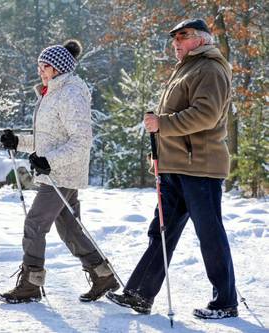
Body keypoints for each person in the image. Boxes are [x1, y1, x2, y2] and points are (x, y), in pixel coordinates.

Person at [106, 19, 238, 319]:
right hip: (175, 167)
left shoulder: (211, 69)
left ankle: (226, 301)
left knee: (209, 233)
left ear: (202, 40)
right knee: (161, 231)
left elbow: (205, 115)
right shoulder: (186, 68)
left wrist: (162, 123)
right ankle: (140, 293)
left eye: (184, 36)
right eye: (174, 37)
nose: (176, 41)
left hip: (200, 168)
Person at [0, 40, 120, 304]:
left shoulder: (71, 93)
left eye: (46, 66)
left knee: (35, 223)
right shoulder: (52, 93)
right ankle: (102, 275)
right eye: (40, 65)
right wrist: (18, 141)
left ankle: (31, 283)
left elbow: (80, 140)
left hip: (62, 172)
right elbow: (47, 139)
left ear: (59, 68)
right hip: (56, 170)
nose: (41, 70)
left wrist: (49, 161)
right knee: (69, 228)